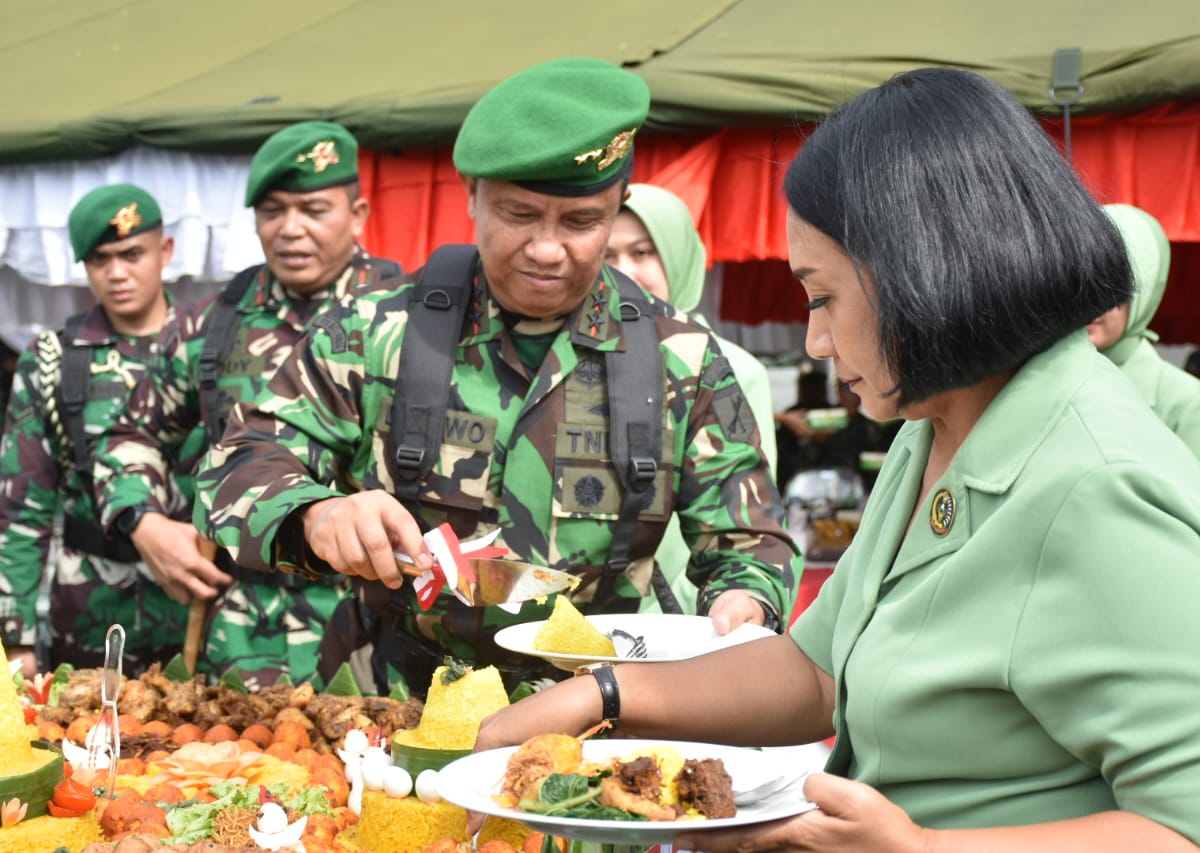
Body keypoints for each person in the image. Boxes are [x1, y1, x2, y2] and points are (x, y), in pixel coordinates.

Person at [472, 68, 1200, 852]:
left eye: (823, 296)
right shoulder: (936, 428)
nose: (816, 340)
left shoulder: (1099, 490)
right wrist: (603, 694)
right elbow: (818, 669)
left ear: (926, 273)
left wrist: (924, 846)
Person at [194, 57, 796, 696]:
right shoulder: (373, 333)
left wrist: (745, 603)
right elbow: (237, 464)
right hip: (394, 708)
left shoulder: (683, 359)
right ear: (471, 197)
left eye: (580, 222)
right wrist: (316, 514)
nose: (545, 247)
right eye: (519, 214)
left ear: (618, 205)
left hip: (595, 714)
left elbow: (749, 540)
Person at [95, 122, 402, 688]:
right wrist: (144, 522)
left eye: (313, 209)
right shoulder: (211, 323)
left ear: (358, 214)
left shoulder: (408, 323)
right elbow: (127, 432)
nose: (290, 230)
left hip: (372, 632)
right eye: (272, 211)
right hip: (236, 629)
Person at [1, 184, 187, 677]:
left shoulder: (206, 350)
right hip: (87, 614)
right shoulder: (53, 361)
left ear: (164, 251)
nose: (117, 273)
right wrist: (17, 637)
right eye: (100, 260)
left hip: (193, 613)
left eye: (132, 254)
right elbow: (22, 508)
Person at [604, 182, 783, 614]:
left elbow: (744, 514)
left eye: (643, 253)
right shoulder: (582, 361)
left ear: (679, 256)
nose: (623, 271)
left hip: (683, 620)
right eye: (607, 256)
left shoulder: (727, 369)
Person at [1086, 203, 1200, 477]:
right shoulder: (1036, 380)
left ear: (1144, 293)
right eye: (1086, 283)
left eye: (1114, 289)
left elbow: (1187, 515)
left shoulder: (1187, 403)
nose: (1095, 304)